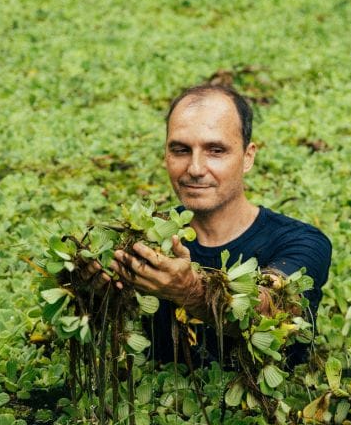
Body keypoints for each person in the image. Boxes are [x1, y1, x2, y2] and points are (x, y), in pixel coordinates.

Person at [109, 83, 332, 367]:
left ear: (248, 156)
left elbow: (269, 309)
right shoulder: (146, 237)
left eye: (215, 150)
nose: (195, 168)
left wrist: (189, 291)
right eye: (180, 150)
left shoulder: (302, 242)